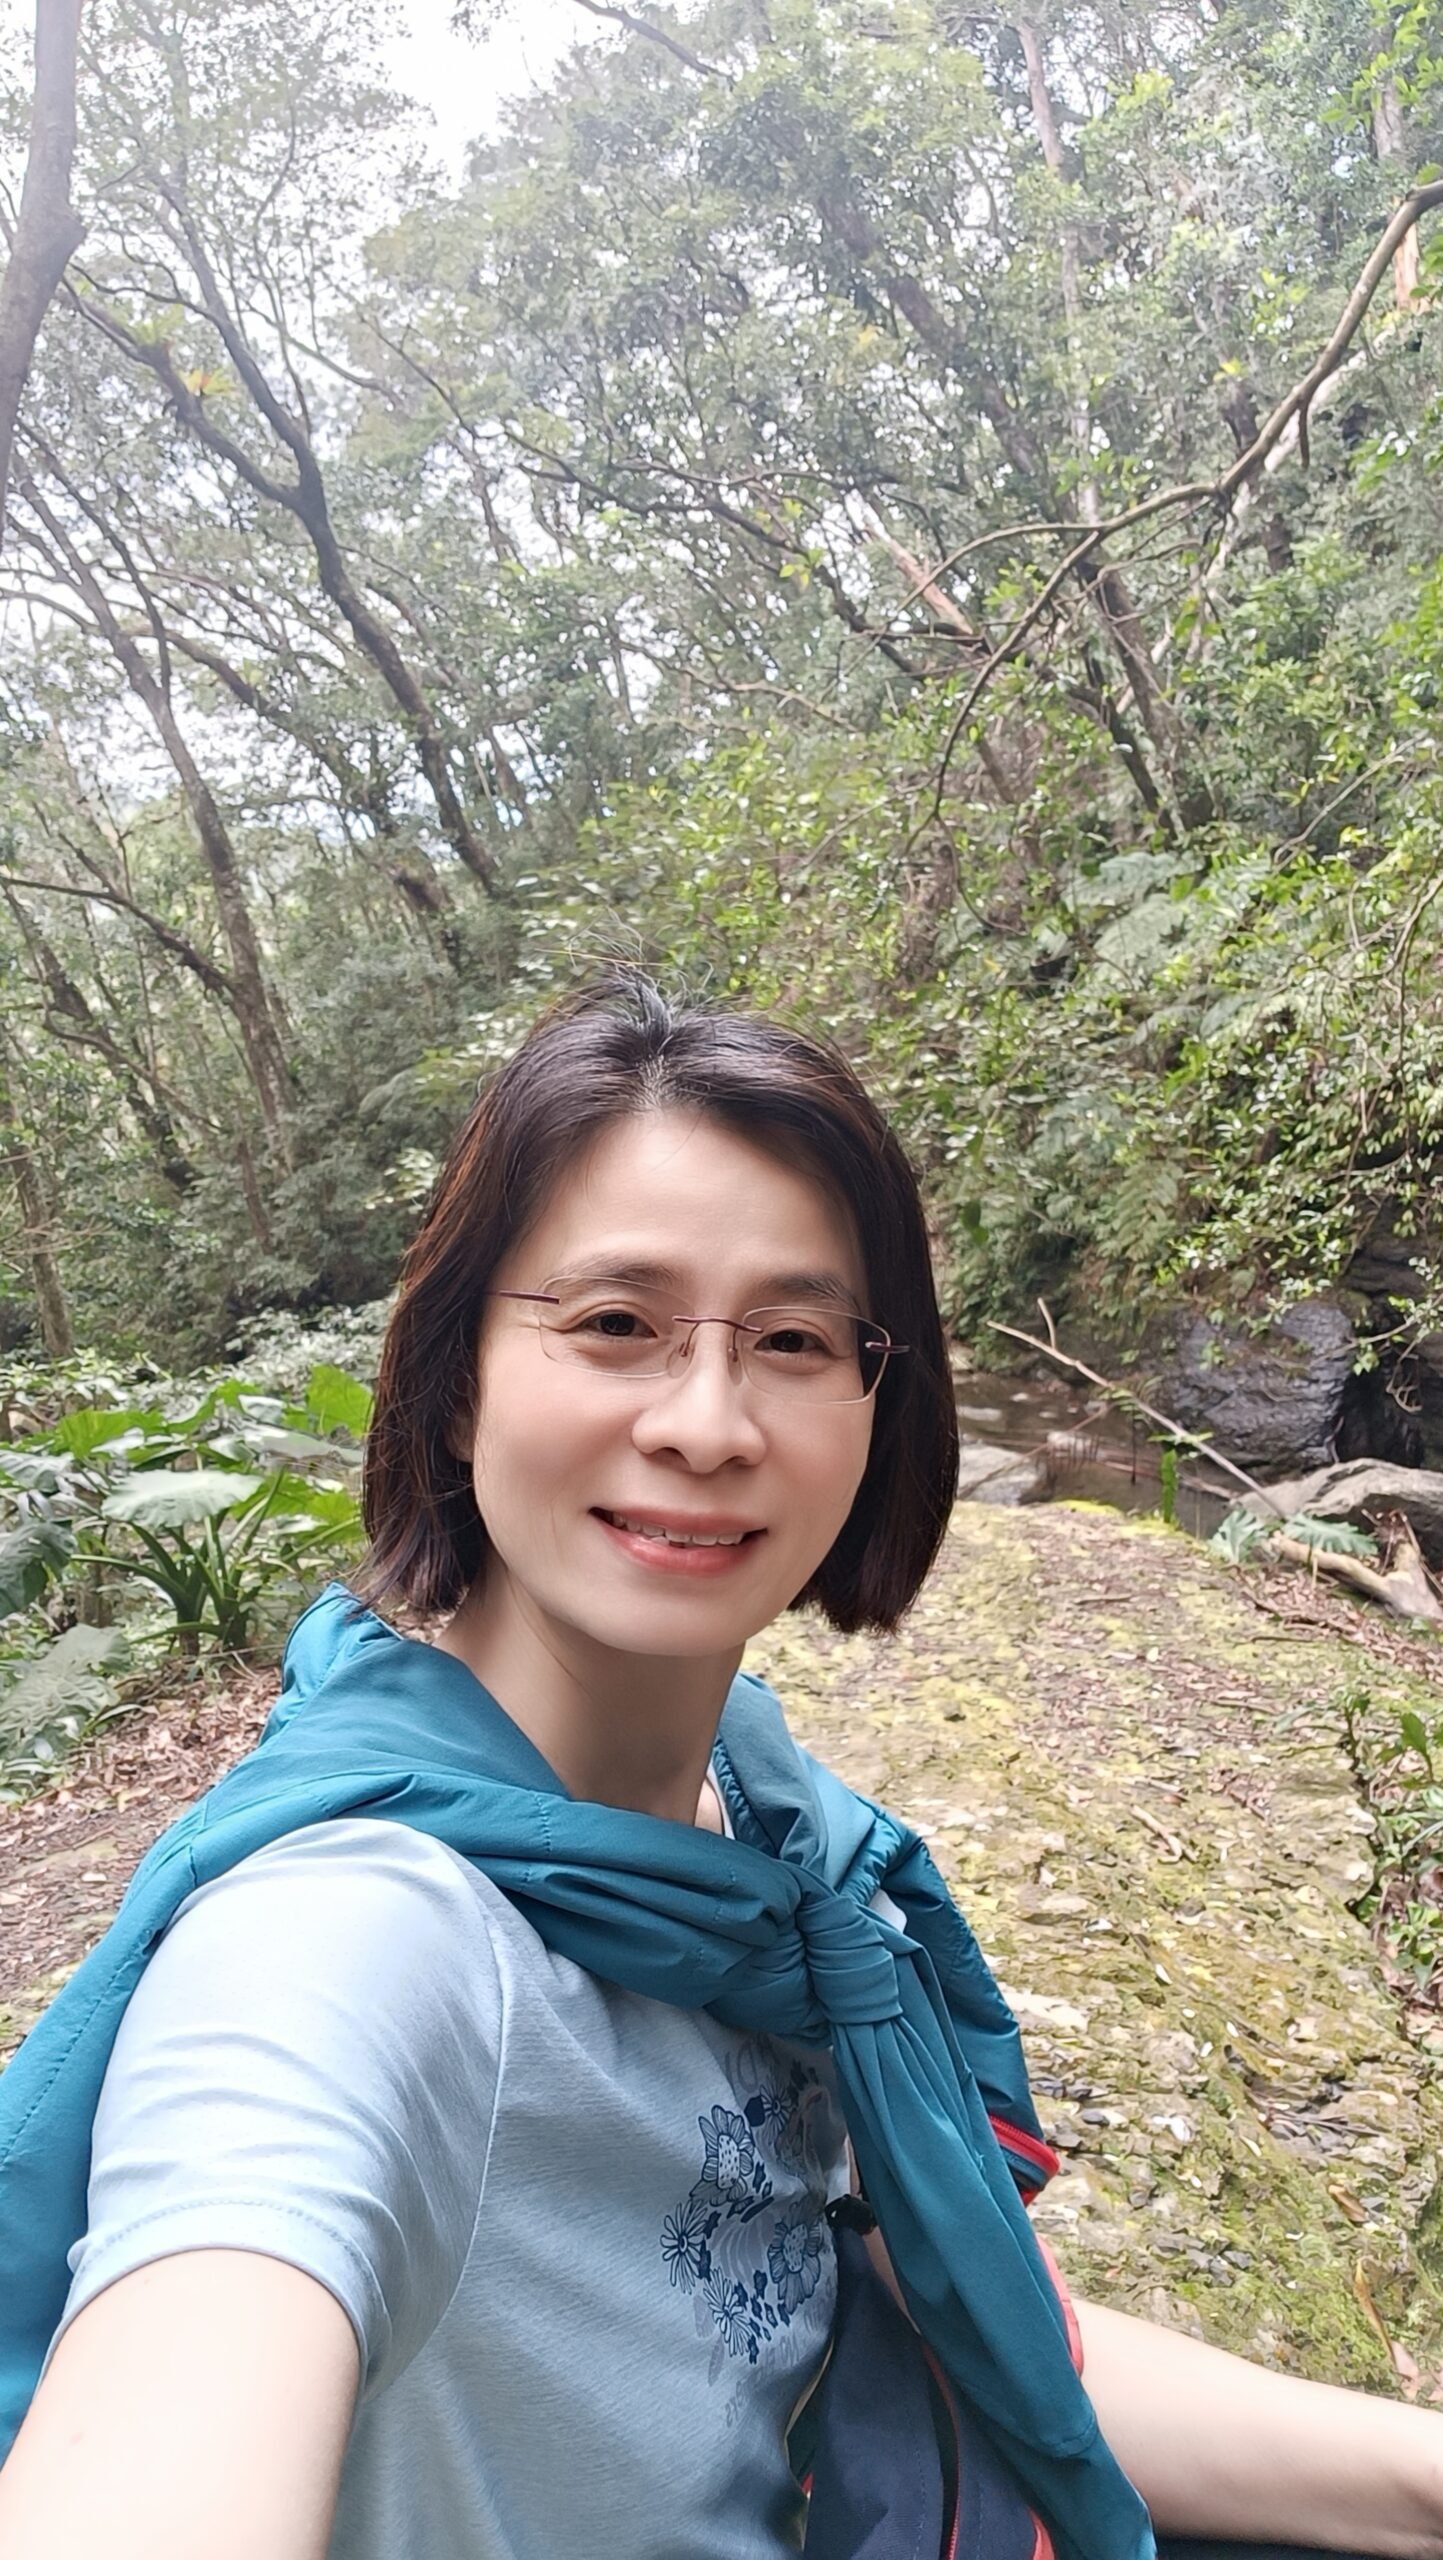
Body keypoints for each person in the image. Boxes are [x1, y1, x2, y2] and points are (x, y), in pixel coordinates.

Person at [0, 974, 1441, 2560]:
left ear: (878, 1406)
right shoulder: (349, 1945)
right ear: (456, 1379)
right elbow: (192, 2351)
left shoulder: (760, 1830)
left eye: (794, 1339)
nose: (707, 1423)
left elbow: (921, 2325)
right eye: (615, 1324)